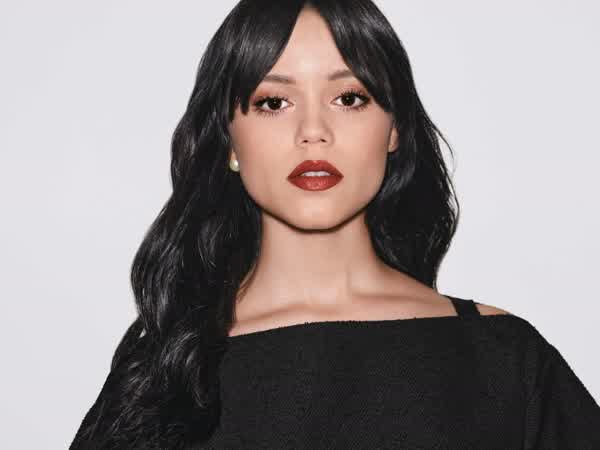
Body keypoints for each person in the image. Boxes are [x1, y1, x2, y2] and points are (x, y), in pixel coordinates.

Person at [70, 0, 600, 448]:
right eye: (274, 101)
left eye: (349, 98)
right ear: (228, 139)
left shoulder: (505, 359)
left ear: (394, 129)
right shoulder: (166, 369)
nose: (313, 131)